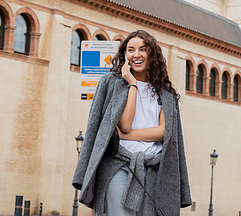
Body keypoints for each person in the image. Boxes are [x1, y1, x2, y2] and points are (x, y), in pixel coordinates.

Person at [72, 30, 191, 216]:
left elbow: (164, 131)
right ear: (124, 54)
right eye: (131, 49)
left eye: (143, 49)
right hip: (117, 165)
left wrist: (125, 135)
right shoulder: (111, 83)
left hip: (154, 170)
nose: (136, 54)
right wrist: (133, 85)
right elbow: (125, 124)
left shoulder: (165, 92)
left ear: (152, 54)